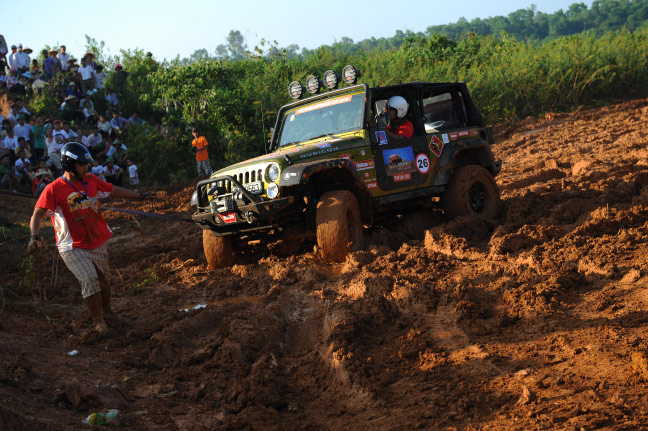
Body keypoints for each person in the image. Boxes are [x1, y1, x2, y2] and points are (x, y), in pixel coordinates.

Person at [28, 143, 148, 334]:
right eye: (82, 165)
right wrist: (33, 237)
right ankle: (98, 321)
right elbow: (37, 214)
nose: (86, 168)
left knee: (105, 281)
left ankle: (108, 312)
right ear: (69, 164)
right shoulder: (53, 189)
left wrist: (140, 196)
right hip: (72, 246)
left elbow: (114, 190)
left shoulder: (91, 180)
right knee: (89, 279)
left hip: (96, 239)